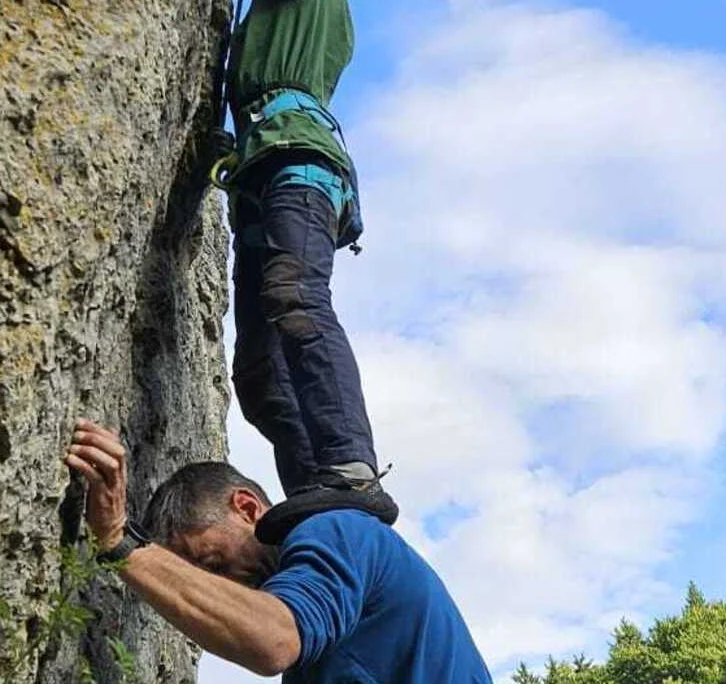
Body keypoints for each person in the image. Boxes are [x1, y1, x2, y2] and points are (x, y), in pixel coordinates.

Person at [63, 419, 493, 682]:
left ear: (247, 507)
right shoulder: (316, 653)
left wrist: (121, 541)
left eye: (215, 563)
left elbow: (274, 641)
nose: (222, 586)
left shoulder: (334, 531)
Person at [208, 0, 395, 543]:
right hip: (262, 173)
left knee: (296, 297)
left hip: (300, 163)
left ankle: (351, 468)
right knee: (259, 376)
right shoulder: (258, 34)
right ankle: (315, 497)